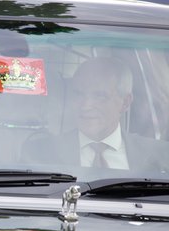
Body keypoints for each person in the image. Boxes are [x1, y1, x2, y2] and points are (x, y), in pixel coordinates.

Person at [21, 57, 169, 172]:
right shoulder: (39, 153)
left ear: (125, 102)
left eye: (100, 96)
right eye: (79, 94)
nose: (86, 106)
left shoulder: (160, 155)